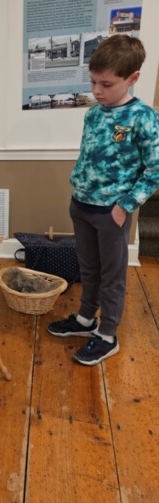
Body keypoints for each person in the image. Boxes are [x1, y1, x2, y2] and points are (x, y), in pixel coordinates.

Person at [48, 34, 159, 366]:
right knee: (88, 267)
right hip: (80, 205)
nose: (97, 91)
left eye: (106, 84)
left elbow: (154, 170)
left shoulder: (143, 118)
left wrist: (126, 204)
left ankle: (107, 334)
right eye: (93, 81)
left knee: (113, 275)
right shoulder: (94, 114)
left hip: (112, 213)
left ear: (133, 78)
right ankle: (85, 320)